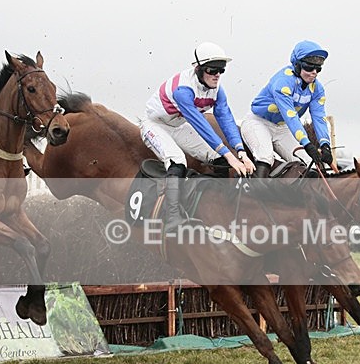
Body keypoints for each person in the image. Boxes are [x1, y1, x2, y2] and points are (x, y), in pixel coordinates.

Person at [139, 42, 254, 233]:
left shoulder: (218, 90)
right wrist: (231, 156)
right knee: (178, 162)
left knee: (218, 159)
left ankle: (218, 205)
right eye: (212, 70)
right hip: (154, 125)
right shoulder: (183, 90)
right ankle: (172, 217)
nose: (217, 75)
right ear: (198, 69)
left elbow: (226, 119)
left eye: (221, 70)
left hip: (177, 125)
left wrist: (241, 152)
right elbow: (202, 126)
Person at [241, 40, 332, 177]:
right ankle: (253, 194)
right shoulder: (282, 81)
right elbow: (290, 115)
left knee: (309, 163)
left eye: (318, 68)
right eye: (309, 67)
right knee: (265, 157)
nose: (314, 72)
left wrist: (325, 144)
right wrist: (306, 143)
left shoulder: (317, 89)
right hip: (259, 122)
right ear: (297, 65)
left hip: (282, 128)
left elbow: (319, 117)